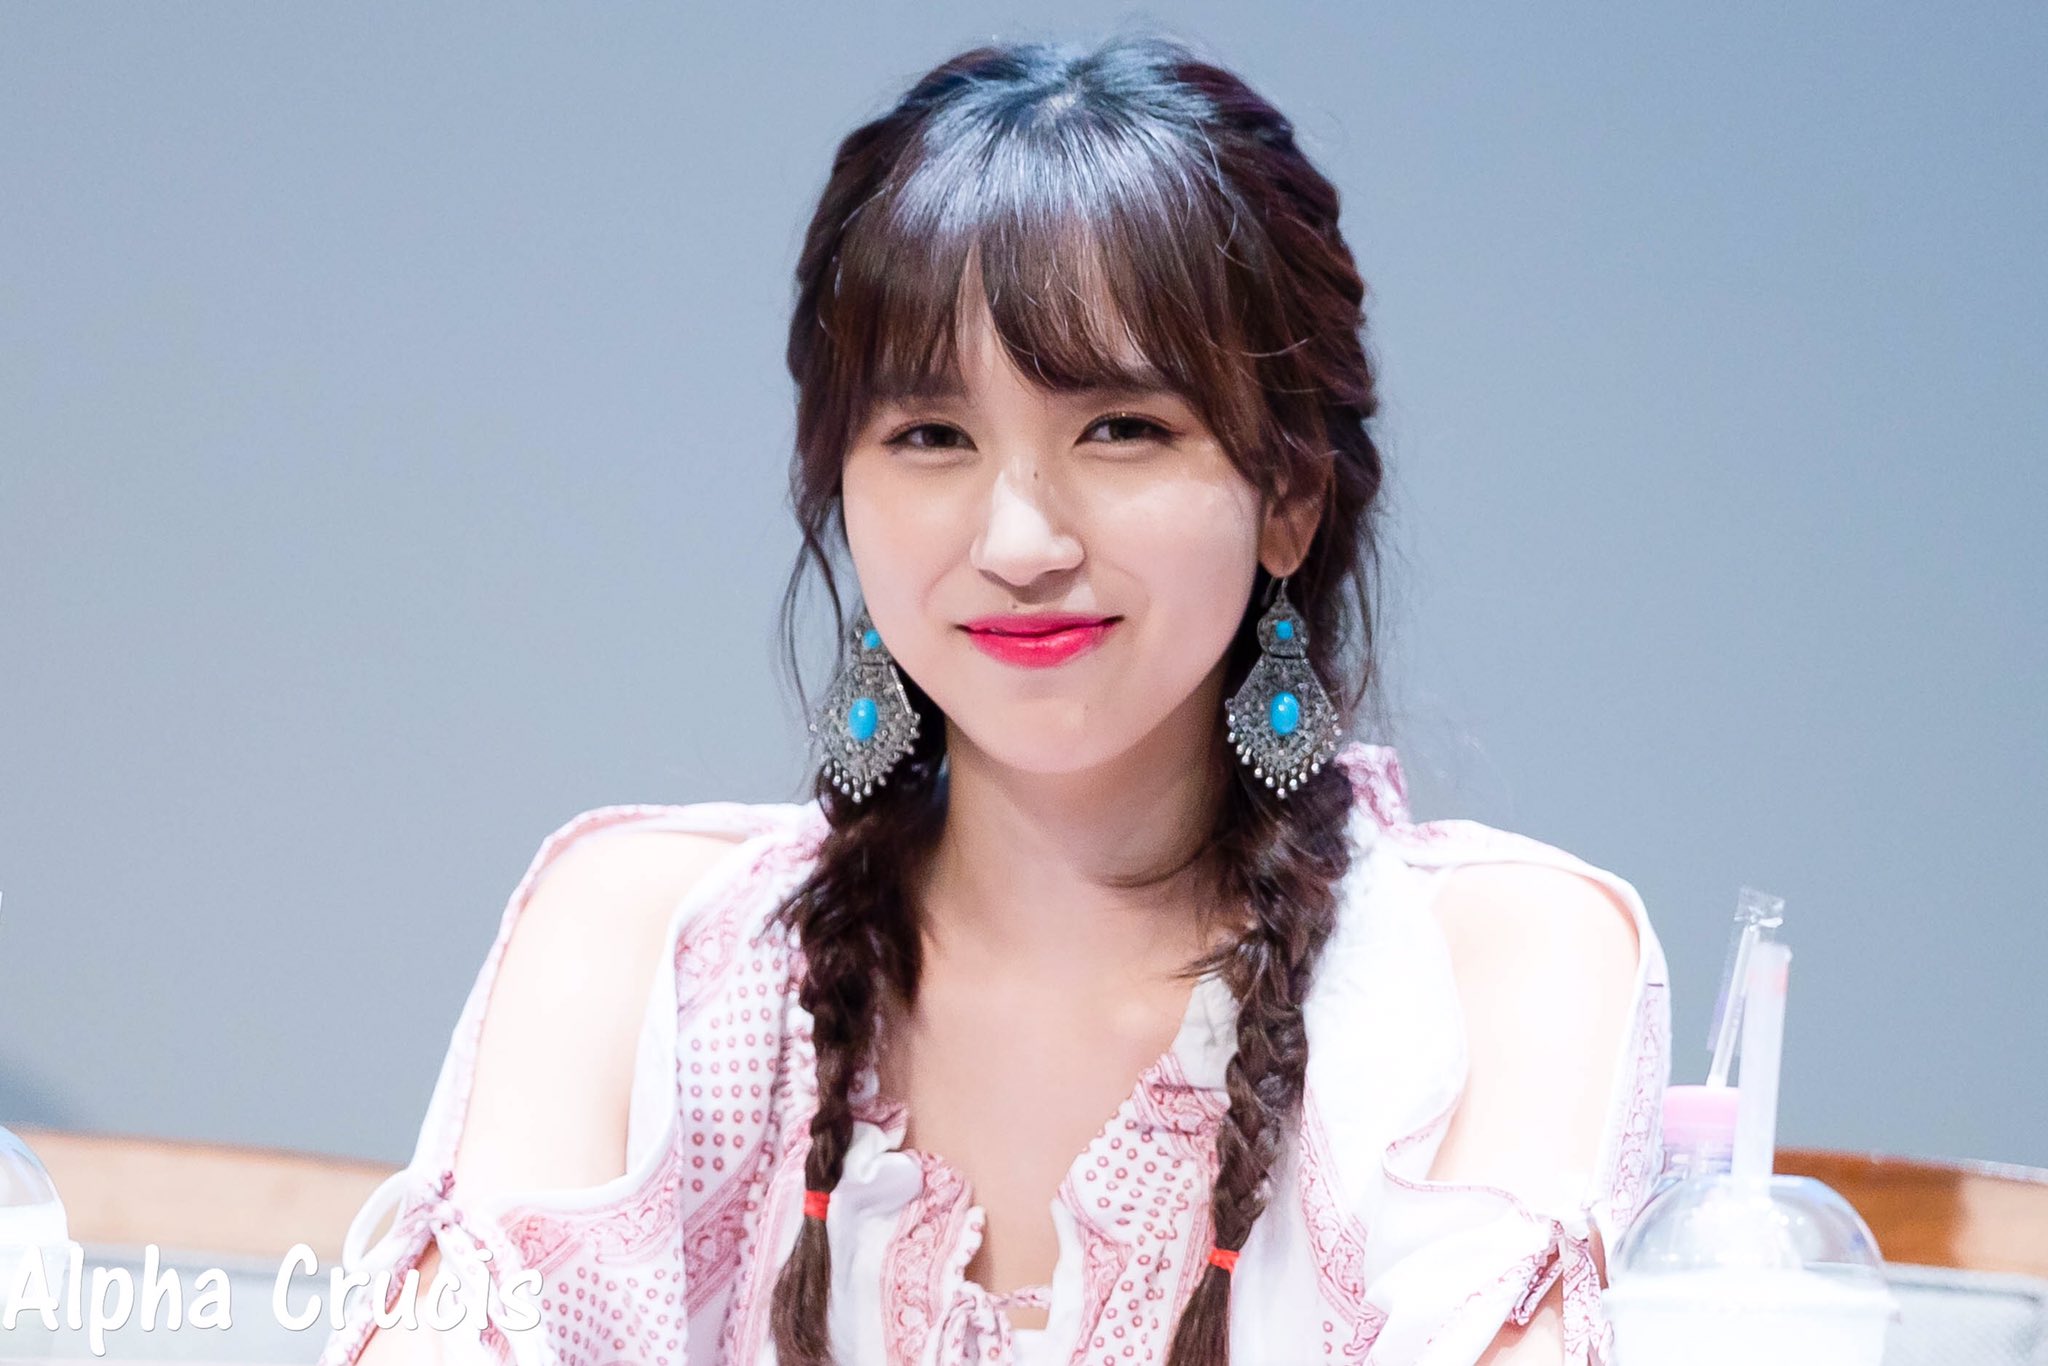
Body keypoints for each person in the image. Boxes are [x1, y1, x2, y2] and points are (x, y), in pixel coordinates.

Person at [321, 31, 1669, 1366]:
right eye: (931, 436)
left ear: (1289, 498)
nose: (1020, 543)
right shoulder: (655, 954)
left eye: (1121, 428)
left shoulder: (1484, 978)